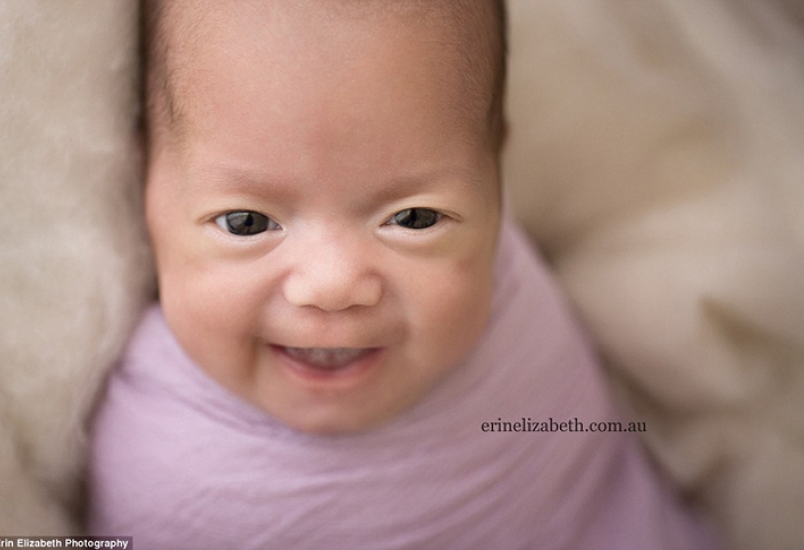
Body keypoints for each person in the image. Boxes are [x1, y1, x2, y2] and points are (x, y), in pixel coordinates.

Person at [87, 1, 719, 548]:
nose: (332, 285)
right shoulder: (154, 469)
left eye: (414, 218)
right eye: (247, 223)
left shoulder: (519, 310)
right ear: (144, 181)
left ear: (494, 176)